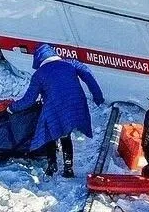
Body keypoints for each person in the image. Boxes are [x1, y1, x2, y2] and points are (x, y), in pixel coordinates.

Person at [8, 44, 105, 177]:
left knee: (49, 132)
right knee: (65, 133)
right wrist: (98, 97)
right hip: (76, 103)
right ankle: (68, 168)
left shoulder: (39, 74)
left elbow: (29, 100)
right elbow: (89, 77)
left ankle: (52, 165)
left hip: (54, 106)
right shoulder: (71, 63)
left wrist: (11, 108)